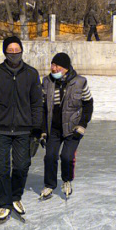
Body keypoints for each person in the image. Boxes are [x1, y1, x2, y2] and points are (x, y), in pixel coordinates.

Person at [0, 35, 43, 222]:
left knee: (22, 166)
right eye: (11, 50)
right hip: (0, 130)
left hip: (24, 130)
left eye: (17, 50)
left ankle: (15, 196)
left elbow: (37, 104)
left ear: (22, 51)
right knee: (1, 168)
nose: (14, 53)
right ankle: (4, 204)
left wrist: (36, 131)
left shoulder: (31, 74)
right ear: (5, 52)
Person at [38, 53, 93, 201]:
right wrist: (42, 130)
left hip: (72, 128)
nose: (53, 68)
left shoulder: (80, 82)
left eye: (57, 66)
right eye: (52, 64)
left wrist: (82, 125)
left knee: (67, 157)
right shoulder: (46, 82)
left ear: (66, 68)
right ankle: (49, 185)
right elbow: (42, 107)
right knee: (50, 157)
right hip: (53, 128)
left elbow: (88, 104)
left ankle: (67, 181)